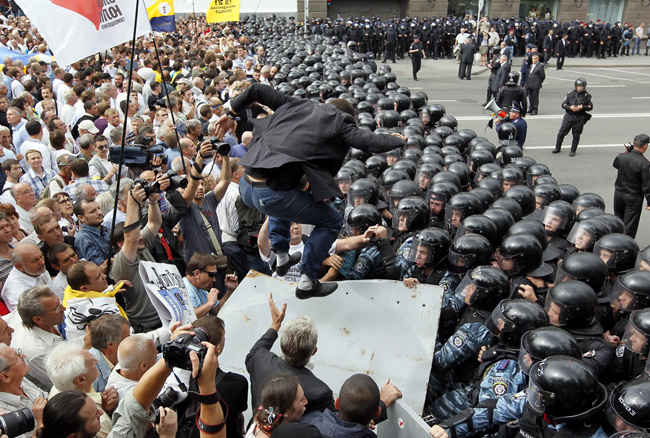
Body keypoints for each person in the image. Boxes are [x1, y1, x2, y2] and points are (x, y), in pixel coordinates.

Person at [219, 83, 404, 298]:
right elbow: (368, 141)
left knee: (289, 197)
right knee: (332, 220)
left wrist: (230, 112)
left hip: (247, 186)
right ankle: (308, 280)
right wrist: (396, 139)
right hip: (271, 195)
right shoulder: (340, 121)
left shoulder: (299, 105)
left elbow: (256, 89)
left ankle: (281, 256)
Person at [13, 285, 66, 392]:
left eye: (59, 302)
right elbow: (65, 384)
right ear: (38, 319)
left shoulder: (25, 312)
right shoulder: (37, 352)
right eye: (57, 308)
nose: (64, 308)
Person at [612, 134, 650, 238]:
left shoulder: (621, 156)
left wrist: (627, 152)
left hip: (619, 194)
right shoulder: (644, 163)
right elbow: (646, 185)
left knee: (618, 220)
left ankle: (614, 241)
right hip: (633, 197)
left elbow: (615, 164)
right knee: (630, 225)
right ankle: (625, 246)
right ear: (645, 146)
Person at [553, 78, 593, 157]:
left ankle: (573, 150)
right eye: (579, 86)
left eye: (582, 86)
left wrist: (582, 107)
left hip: (579, 118)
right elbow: (563, 105)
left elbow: (590, 106)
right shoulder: (570, 94)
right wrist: (570, 107)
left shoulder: (587, 96)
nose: (580, 88)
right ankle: (557, 148)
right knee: (561, 133)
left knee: (576, 135)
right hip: (569, 117)